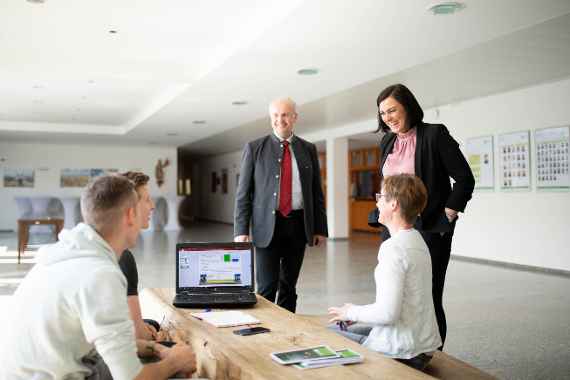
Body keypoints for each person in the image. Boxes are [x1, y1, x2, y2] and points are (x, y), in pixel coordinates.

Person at [0, 175, 196, 380]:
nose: (152, 206)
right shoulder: (101, 275)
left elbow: (97, 335)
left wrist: (153, 348)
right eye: (144, 203)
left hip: (28, 371)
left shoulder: (65, 253)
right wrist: (175, 362)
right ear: (130, 215)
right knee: (177, 373)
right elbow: (131, 379)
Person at [373, 83, 475, 348]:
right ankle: (404, 350)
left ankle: (434, 354)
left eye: (392, 110)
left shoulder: (434, 135)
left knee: (428, 295)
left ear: (408, 106)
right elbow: (386, 185)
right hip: (394, 231)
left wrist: (448, 215)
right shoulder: (387, 142)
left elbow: (464, 178)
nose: (388, 118)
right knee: (394, 293)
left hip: (430, 228)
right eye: (383, 113)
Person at [329, 174, 441, 370]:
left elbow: (388, 313)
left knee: (323, 335)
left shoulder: (393, 248)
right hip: (422, 345)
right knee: (339, 329)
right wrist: (355, 313)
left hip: (404, 352)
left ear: (394, 204)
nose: (378, 202)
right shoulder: (417, 239)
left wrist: (352, 312)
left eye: (381, 196)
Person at [234, 97, 328, 313]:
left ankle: (287, 331)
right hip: (267, 226)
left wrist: (320, 228)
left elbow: (316, 192)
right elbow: (243, 194)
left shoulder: (308, 149)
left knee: (289, 286)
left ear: (294, 117)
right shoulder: (255, 148)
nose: (280, 120)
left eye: (285, 115)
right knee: (266, 287)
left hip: (298, 224)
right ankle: (263, 332)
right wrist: (240, 230)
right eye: (275, 115)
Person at [118, 171, 165, 341]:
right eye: (147, 200)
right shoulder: (123, 259)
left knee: (151, 323)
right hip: (85, 361)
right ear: (131, 212)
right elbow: (139, 337)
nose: (152, 206)